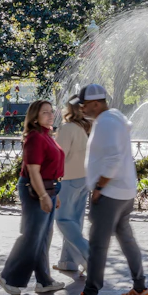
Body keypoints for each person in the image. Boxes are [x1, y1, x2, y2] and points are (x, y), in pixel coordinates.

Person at [60, 84, 148, 295]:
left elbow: (114, 156)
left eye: (85, 105)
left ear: (96, 103)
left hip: (110, 193)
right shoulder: (114, 118)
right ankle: (140, 289)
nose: (81, 109)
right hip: (124, 191)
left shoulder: (107, 122)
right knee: (126, 240)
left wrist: (100, 185)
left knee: (98, 245)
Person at [0, 100, 66, 295]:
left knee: (43, 237)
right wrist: (44, 196)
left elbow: (49, 168)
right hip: (35, 189)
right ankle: (8, 277)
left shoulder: (47, 135)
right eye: (45, 112)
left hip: (49, 188)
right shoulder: (35, 137)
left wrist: (54, 194)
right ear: (34, 116)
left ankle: (44, 281)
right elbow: (33, 171)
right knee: (31, 237)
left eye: (51, 112)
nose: (50, 115)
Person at [53, 100, 91, 276]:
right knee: (75, 220)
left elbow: (59, 155)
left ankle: (88, 255)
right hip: (83, 178)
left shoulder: (67, 128)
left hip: (68, 179)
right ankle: (68, 262)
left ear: (69, 109)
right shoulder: (85, 127)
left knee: (63, 221)